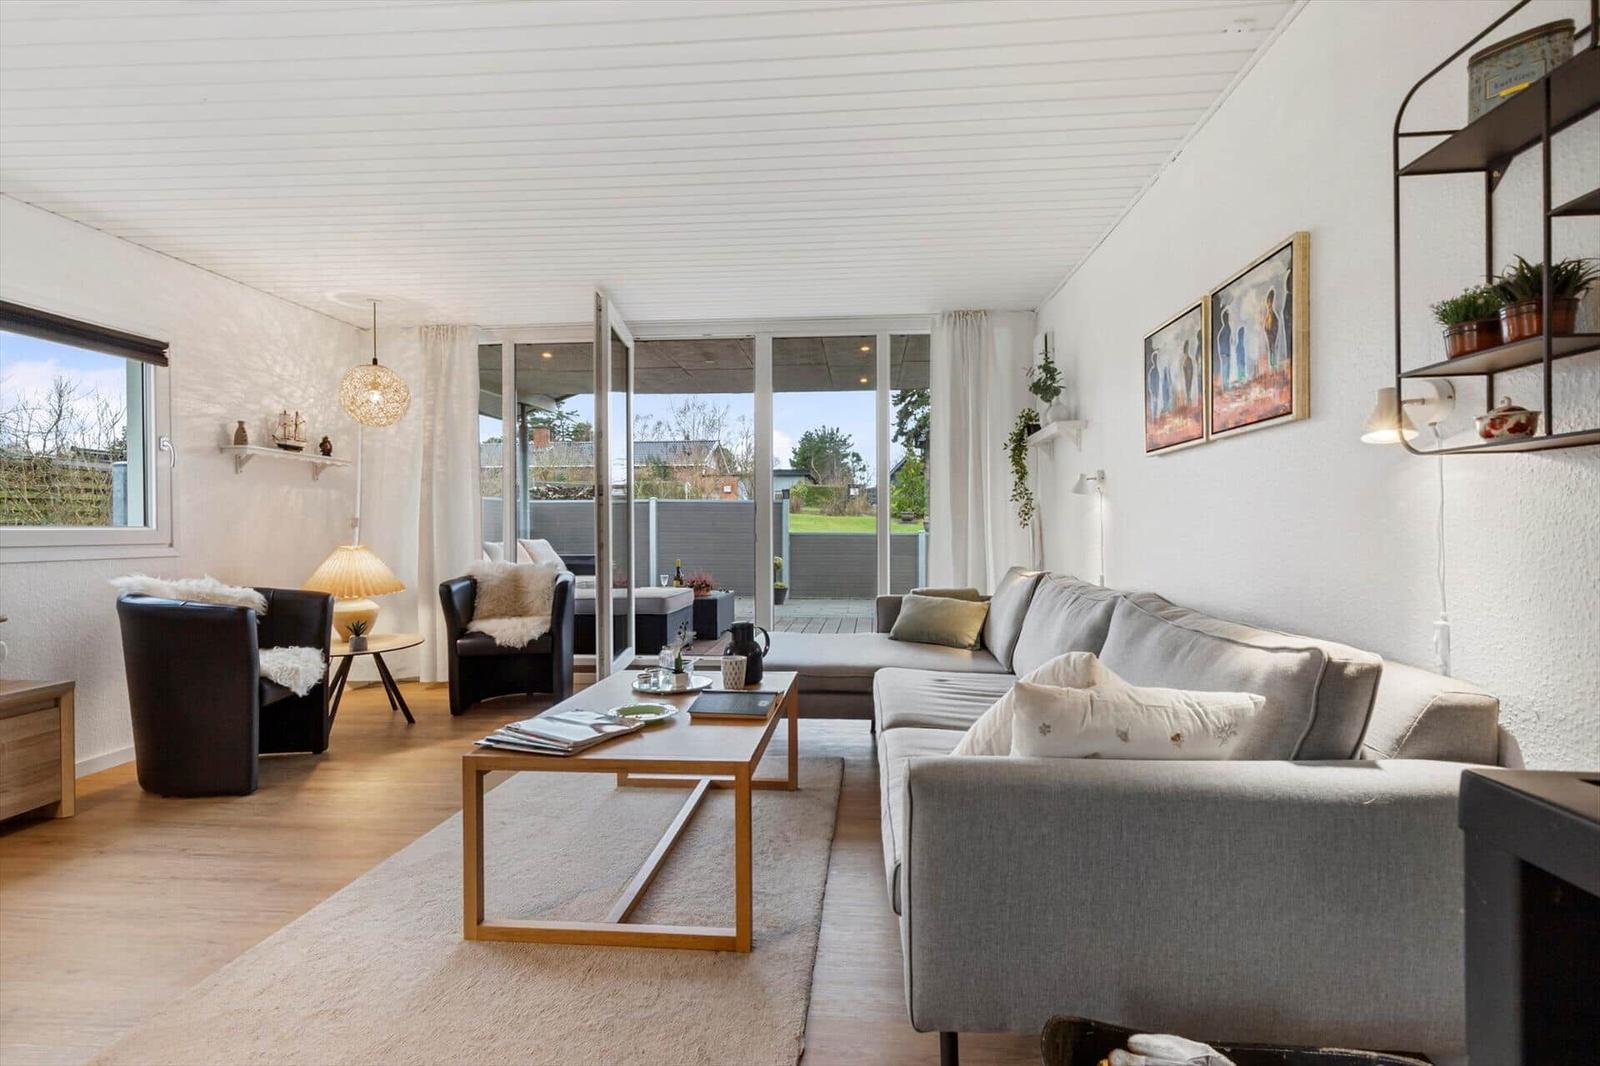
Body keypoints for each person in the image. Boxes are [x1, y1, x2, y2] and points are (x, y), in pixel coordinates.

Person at [1260, 287, 1281, 369]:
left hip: (1272, 337)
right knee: (1271, 350)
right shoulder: (1268, 315)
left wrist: (1269, 331)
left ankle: (1273, 364)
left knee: (1272, 349)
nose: (1268, 304)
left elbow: (1273, 327)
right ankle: (1272, 364)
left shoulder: (1272, 315)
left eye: (1269, 302)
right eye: (1267, 302)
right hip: (1269, 337)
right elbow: (1266, 326)